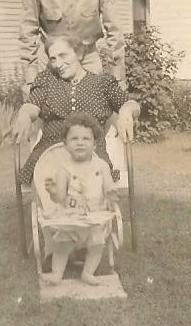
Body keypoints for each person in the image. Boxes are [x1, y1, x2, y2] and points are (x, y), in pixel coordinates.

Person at [12, 35, 140, 185]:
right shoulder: (47, 80)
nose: (58, 64)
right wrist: (24, 115)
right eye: (53, 59)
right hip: (50, 151)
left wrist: (125, 112)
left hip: (90, 151)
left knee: (91, 184)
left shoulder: (101, 83)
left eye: (62, 55)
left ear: (78, 54)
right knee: (51, 183)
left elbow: (131, 104)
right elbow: (31, 106)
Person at [41, 112, 118, 286]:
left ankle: (88, 272)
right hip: (71, 216)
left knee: (97, 245)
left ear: (95, 144)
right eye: (74, 139)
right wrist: (54, 191)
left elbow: (108, 187)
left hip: (95, 216)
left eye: (86, 138)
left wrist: (111, 193)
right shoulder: (64, 168)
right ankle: (56, 273)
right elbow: (60, 197)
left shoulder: (102, 166)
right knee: (63, 245)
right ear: (66, 144)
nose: (80, 142)